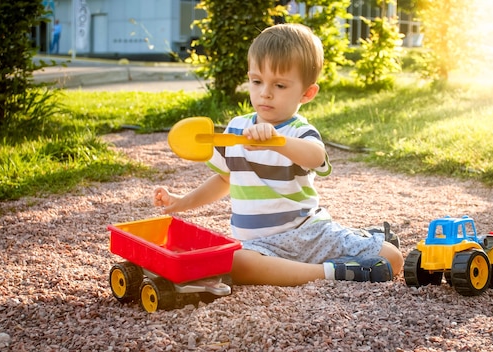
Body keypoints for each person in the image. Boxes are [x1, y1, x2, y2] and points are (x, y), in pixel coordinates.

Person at [153, 23, 404, 286]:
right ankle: (331, 272)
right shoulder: (236, 128)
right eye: (257, 81)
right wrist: (182, 202)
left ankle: (348, 247)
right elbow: (225, 179)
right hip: (260, 245)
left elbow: (316, 157)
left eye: (280, 85)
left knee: (392, 258)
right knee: (233, 263)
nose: (265, 93)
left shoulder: (299, 131)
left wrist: (277, 142)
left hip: (310, 233)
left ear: (307, 93)